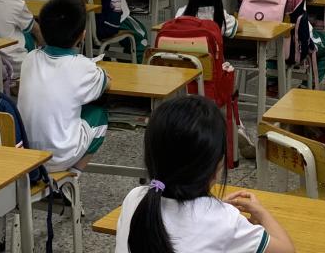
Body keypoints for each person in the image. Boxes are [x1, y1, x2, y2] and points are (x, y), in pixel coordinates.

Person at [115, 95, 294, 253]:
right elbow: (286, 250)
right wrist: (260, 212)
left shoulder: (135, 198)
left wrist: (213, 209)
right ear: (217, 165)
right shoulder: (226, 222)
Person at [19, 0, 109, 173]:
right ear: (82, 35)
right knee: (99, 115)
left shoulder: (29, 59)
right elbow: (106, 84)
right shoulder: (83, 67)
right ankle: (73, 176)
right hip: (58, 158)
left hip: (25, 154)